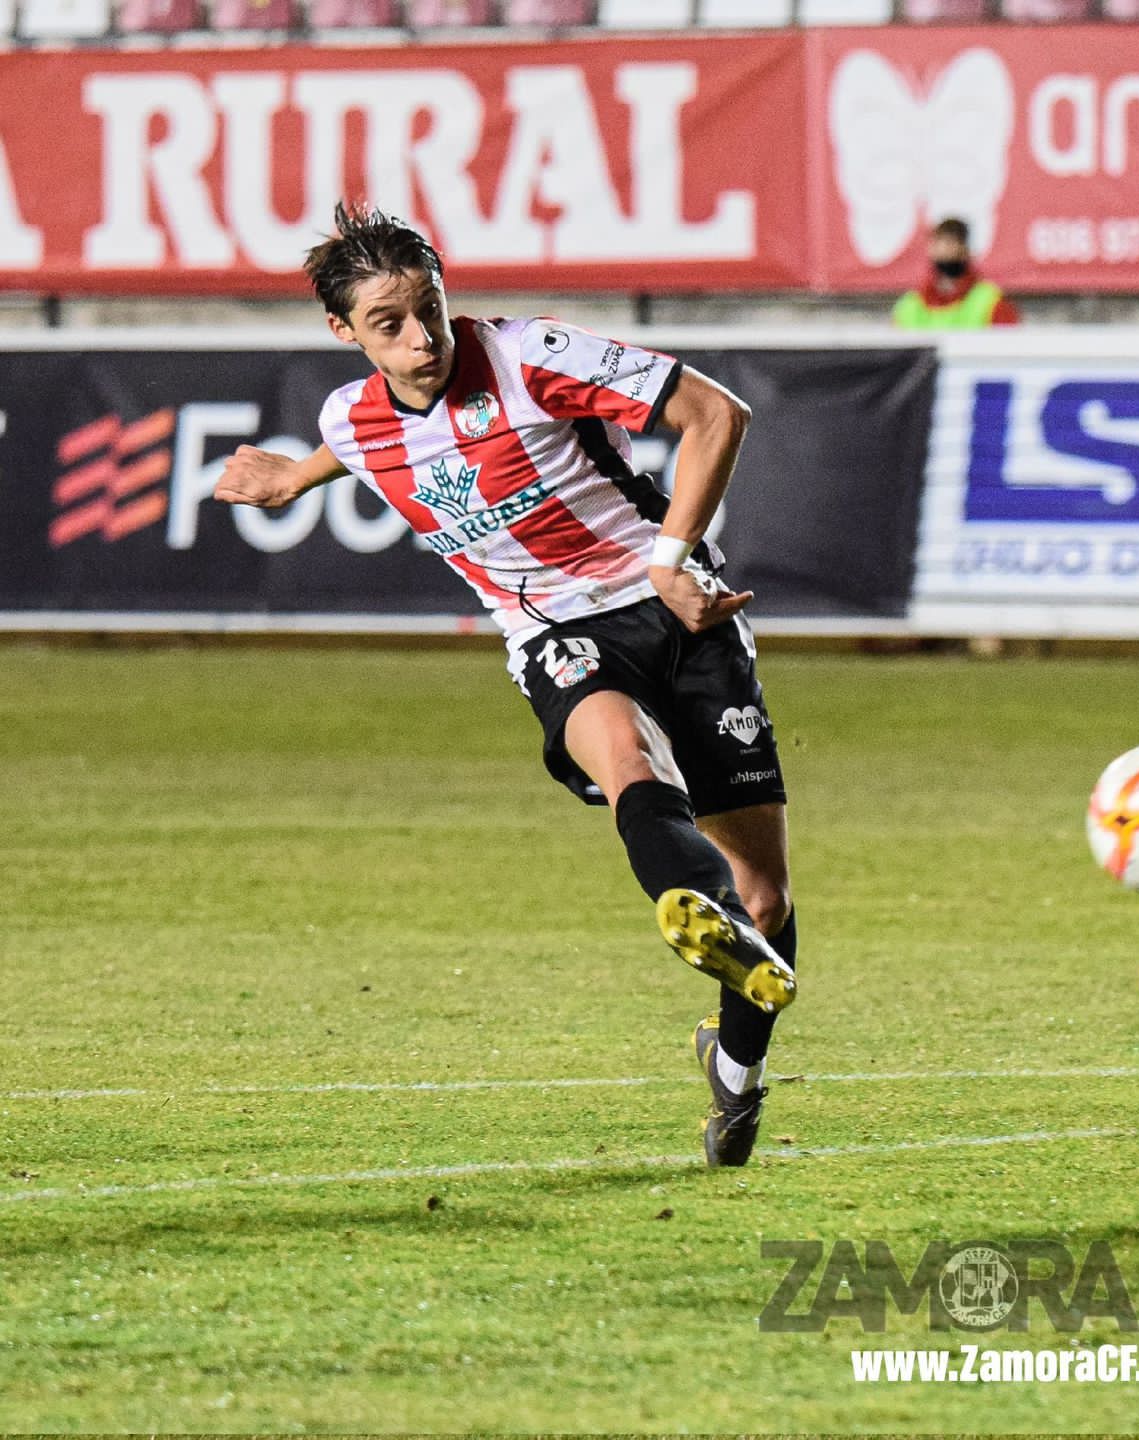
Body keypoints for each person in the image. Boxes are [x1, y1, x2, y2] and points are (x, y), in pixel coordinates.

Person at [213, 204, 801, 1168]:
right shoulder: (350, 419)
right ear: (344, 334)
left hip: (676, 603)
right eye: (389, 326)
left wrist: (670, 556)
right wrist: (290, 480)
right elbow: (360, 443)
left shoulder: (533, 357)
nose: (422, 340)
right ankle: (701, 915)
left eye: (430, 311)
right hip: (553, 630)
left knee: (769, 895)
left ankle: (735, 1072)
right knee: (625, 757)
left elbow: (714, 415)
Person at [892, 217, 1019, 330]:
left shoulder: (990, 301)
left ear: (966, 250)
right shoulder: (910, 304)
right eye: (938, 244)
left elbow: (1008, 348)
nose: (944, 251)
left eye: (950, 243)